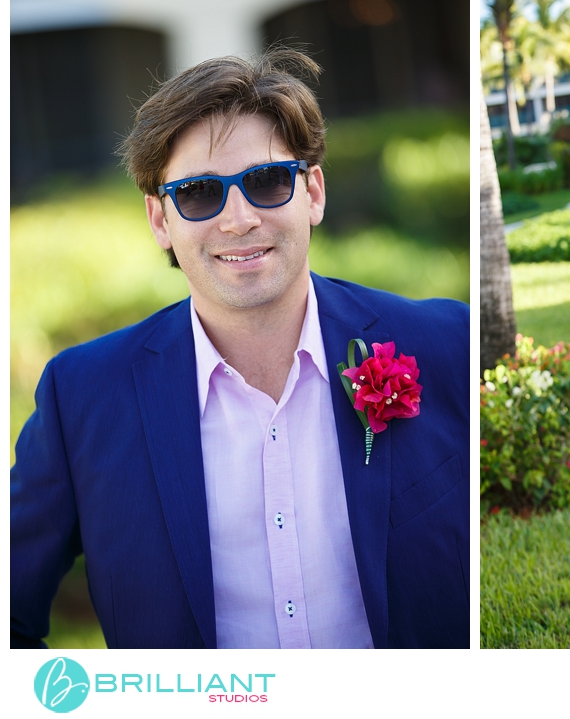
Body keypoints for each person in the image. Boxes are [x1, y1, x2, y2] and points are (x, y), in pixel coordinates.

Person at [11, 48, 469, 649]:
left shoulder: (444, 344)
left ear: (313, 193)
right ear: (159, 220)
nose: (238, 218)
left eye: (266, 181)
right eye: (200, 193)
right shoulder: (83, 397)